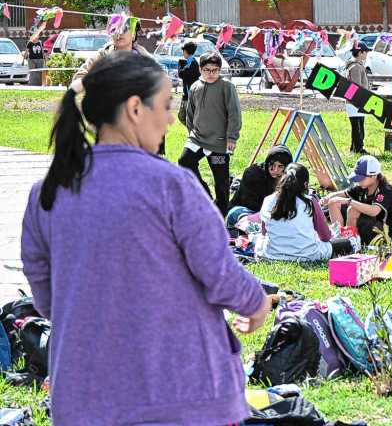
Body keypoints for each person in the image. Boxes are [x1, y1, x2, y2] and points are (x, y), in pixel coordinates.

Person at [21, 51, 271, 425]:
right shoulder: (171, 186)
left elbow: (45, 297)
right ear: (135, 108)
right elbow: (219, 274)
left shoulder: (48, 192)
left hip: (84, 392)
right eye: (167, 106)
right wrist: (256, 303)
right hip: (180, 393)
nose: (171, 119)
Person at [179, 51, 242, 216]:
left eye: (215, 70)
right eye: (207, 70)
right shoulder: (195, 86)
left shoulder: (227, 87)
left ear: (220, 70)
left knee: (221, 182)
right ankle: (204, 196)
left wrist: (232, 137)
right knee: (184, 162)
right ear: (200, 69)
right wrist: (191, 131)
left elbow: (234, 113)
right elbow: (190, 113)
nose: (211, 73)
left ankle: (221, 215)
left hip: (219, 143)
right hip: (197, 139)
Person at [259, 163, 357, 262]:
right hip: (308, 254)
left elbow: (264, 233)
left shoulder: (268, 200)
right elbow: (326, 237)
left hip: (272, 254)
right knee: (349, 243)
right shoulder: (309, 202)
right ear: (305, 184)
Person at [322, 155, 392, 247]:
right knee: (333, 202)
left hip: (383, 230)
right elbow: (342, 194)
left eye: (361, 178)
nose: (358, 181)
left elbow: (374, 211)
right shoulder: (363, 186)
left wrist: (349, 201)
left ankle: (351, 243)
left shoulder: (385, 190)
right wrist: (326, 199)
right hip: (366, 223)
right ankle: (339, 237)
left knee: (353, 209)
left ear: (374, 175)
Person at [71, 21, 151, 84]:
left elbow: (160, 83)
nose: (119, 33)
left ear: (133, 35)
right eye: (114, 29)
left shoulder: (146, 59)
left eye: (124, 29)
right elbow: (78, 78)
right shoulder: (101, 57)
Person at [229, 144, 294, 214]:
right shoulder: (254, 174)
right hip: (244, 211)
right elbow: (251, 204)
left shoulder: (289, 178)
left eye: (280, 166)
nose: (275, 170)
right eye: (272, 165)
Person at [344, 42, 371, 154]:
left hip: (357, 102)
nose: (367, 54)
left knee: (358, 127)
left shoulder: (357, 65)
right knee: (358, 128)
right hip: (355, 102)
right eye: (365, 52)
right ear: (360, 52)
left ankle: (354, 148)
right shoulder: (355, 67)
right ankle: (359, 149)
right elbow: (356, 87)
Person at [177, 40, 200, 130]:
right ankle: (193, 132)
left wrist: (181, 67)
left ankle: (193, 133)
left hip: (191, 96)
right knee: (183, 116)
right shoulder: (188, 62)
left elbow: (181, 74)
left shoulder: (193, 63)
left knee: (185, 117)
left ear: (185, 51)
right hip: (187, 95)